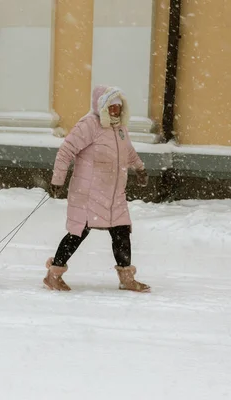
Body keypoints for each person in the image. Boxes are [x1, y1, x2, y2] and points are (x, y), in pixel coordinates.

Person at [44, 85, 151, 293]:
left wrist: (140, 168)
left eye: (118, 108)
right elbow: (66, 151)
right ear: (101, 107)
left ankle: (127, 279)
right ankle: (53, 275)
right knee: (77, 233)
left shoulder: (120, 128)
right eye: (111, 107)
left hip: (114, 194)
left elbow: (128, 151)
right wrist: (58, 179)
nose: (115, 112)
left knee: (121, 232)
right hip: (88, 193)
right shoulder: (89, 125)